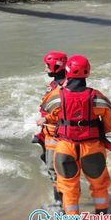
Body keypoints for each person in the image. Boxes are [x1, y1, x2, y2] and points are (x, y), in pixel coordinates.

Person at [44, 55, 111, 220]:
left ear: (67, 71)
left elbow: (49, 115)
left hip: (65, 148)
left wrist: (46, 121)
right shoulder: (97, 97)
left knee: (69, 189)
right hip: (92, 148)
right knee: (99, 186)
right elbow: (110, 124)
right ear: (88, 72)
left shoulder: (56, 96)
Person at [33, 51, 67, 211]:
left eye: (47, 66)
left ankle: (61, 205)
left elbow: (62, 112)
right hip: (49, 133)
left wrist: (46, 120)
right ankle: (60, 202)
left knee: (56, 170)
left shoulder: (60, 87)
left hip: (56, 135)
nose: (45, 69)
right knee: (54, 170)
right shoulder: (59, 85)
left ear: (55, 66)